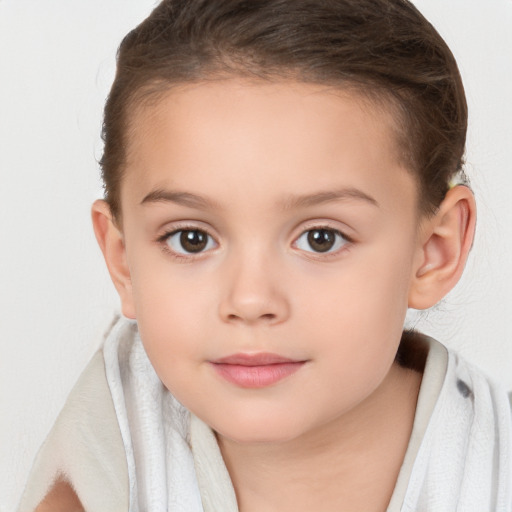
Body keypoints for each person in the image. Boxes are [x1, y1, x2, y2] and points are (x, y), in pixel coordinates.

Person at [17, 0, 512, 511]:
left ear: (433, 252)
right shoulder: (102, 468)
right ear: (123, 261)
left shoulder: (492, 469)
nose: (251, 300)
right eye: (191, 239)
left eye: (322, 238)